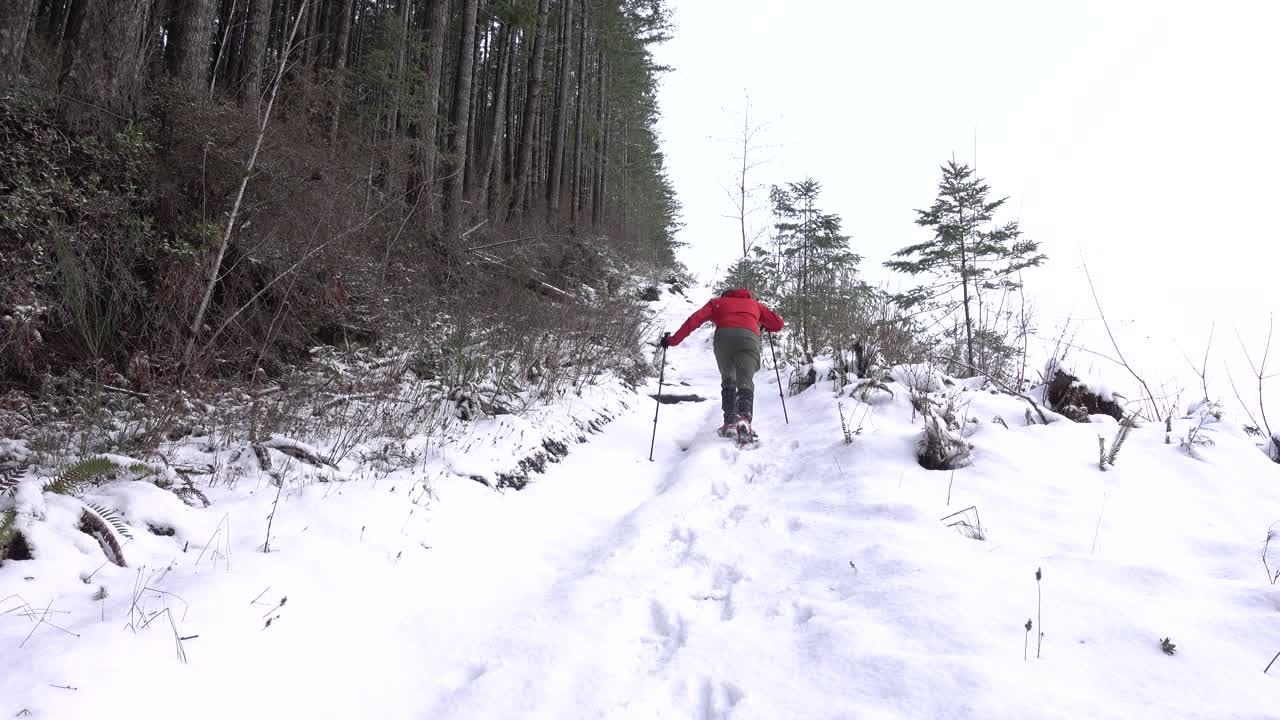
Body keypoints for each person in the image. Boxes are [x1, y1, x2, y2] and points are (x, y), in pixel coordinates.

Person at [661, 288, 784, 439]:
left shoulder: (717, 303)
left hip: (723, 338)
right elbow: (778, 324)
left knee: (728, 379)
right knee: (745, 381)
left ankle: (730, 422)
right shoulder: (755, 305)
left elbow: (694, 320)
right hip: (749, 338)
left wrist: (672, 340)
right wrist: (766, 325)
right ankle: (744, 418)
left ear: (725, 295)